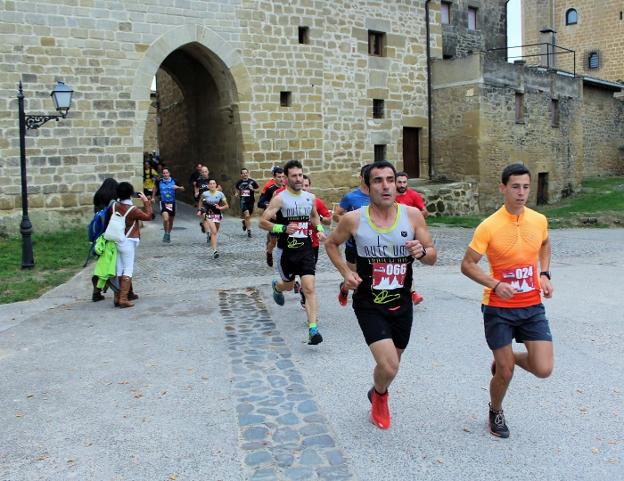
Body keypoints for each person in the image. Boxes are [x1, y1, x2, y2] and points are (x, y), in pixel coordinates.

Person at [325, 161, 436, 429]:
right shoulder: (353, 219)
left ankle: (376, 390)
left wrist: (421, 252)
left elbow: (432, 256)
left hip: (401, 303)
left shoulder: (412, 216)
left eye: (390, 179)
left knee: (393, 363)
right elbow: (330, 243)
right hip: (368, 303)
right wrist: (345, 272)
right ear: (367, 186)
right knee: (389, 367)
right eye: (378, 180)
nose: (386, 186)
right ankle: (381, 397)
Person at [460, 163, 554, 439]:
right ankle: (496, 410)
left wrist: (544, 273)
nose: (521, 193)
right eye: (515, 187)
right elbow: (467, 265)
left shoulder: (539, 220)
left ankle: (508, 358)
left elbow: (545, 244)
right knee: (506, 372)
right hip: (499, 309)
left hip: (532, 306)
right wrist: (495, 284)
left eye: (526, 187)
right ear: (503, 188)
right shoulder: (489, 226)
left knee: (543, 368)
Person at [259, 160, 325, 345]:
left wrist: (319, 228)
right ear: (286, 178)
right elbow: (262, 222)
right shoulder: (280, 198)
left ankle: (313, 329)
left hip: (305, 250)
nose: (298, 179)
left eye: (300, 175)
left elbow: (313, 215)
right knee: (287, 286)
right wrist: (282, 228)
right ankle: (277, 286)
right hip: (285, 251)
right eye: (294, 176)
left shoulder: (309, 198)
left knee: (309, 288)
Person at [332, 164, 371, 306]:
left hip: (373, 244)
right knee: (354, 278)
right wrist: (348, 222)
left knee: (368, 277)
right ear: (361, 177)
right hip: (352, 244)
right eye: (366, 177)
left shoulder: (379, 196)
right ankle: (344, 288)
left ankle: (365, 305)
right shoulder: (351, 197)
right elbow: (336, 214)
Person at [110, 182, 153, 308]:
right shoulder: (132, 209)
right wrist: (146, 202)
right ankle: (123, 298)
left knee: (119, 268)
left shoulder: (113, 206)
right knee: (128, 269)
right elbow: (148, 216)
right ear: (130, 194)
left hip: (116, 239)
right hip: (128, 241)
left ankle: (117, 297)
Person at [296, 174, 332, 307]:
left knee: (308, 273)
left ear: (309, 187)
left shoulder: (316, 202)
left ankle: (305, 293)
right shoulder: (290, 202)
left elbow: (328, 220)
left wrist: (319, 219)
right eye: (302, 185)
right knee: (295, 272)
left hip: (312, 245)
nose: (304, 188)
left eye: (306, 185)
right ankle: (299, 286)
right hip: (295, 243)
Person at [395, 171, 428, 305]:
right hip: (392, 234)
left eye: (404, 182)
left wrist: (414, 219)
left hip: (409, 235)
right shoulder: (390, 196)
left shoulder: (414, 195)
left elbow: (424, 211)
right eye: (399, 182)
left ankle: (412, 292)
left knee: (405, 263)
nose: (402, 185)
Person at [91, 178, 118, 301]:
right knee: (112, 266)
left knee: (101, 265)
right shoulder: (113, 202)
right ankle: (119, 294)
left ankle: (96, 292)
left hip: (98, 237)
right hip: (110, 237)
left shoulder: (97, 198)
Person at [259, 166, 285, 267]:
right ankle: (269, 253)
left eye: (283, 176)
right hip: (273, 219)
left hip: (284, 219)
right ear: (274, 178)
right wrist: (269, 206)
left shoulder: (288, 188)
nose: (281, 179)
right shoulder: (270, 189)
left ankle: (283, 261)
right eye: (279, 177)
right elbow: (260, 203)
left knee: (284, 240)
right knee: (273, 242)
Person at [197, 178, 229, 259]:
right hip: (208, 214)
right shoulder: (205, 194)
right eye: (210, 184)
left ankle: (212, 238)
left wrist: (220, 208)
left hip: (217, 214)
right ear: (208, 186)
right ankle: (215, 251)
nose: (212, 185)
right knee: (214, 231)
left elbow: (227, 206)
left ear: (216, 185)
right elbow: (200, 201)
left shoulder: (220, 194)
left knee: (215, 231)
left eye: (213, 183)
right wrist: (200, 210)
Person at [152, 168, 185, 243]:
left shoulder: (175, 181)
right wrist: (153, 197)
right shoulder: (159, 181)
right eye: (164, 173)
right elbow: (155, 188)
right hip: (163, 202)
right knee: (166, 219)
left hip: (172, 203)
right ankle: (166, 233)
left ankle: (168, 234)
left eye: (166, 173)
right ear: (162, 174)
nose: (165, 174)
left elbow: (183, 189)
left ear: (169, 173)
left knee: (171, 221)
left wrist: (178, 187)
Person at [234, 168, 260, 238]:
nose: (245, 174)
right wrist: (236, 193)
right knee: (247, 215)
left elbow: (258, 190)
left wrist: (253, 189)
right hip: (243, 201)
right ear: (241, 175)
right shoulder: (239, 182)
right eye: (243, 173)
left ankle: (244, 223)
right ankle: (249, 231)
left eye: (246, 173)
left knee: (248, 216)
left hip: (251, 201)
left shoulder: (252, 182)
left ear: (248, 173)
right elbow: (236, 188)